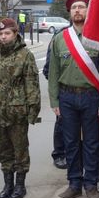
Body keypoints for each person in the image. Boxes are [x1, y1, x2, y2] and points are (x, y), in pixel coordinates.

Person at [49, 0, 99, 198]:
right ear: (69, 12)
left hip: (91, 97)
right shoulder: (60, 39)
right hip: (67, 97)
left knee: (93, 143)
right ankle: (74, 183)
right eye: (74, 7)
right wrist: (54, 101)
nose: (77, 10)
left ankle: (91, 184)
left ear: (88, 10)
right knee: (70, 143)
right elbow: (53, 73)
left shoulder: (98, 38)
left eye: (81, 7)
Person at [0, 18, 40, 198]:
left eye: (7, 33)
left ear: (15, 34)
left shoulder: (24, 55)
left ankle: (20, 184)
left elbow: (31, 83)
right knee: (2, 149)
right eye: (1, 34)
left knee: (19, 148)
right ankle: (8, 184)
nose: (3, 37)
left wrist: (32, 109)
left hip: (17, 109)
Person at [43, 42, 67, 170]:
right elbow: (48, 69)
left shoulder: (94, 34)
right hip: (65, 93)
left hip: (90, 93)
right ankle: (60, 154)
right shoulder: (60, 37)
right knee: (62, 123)